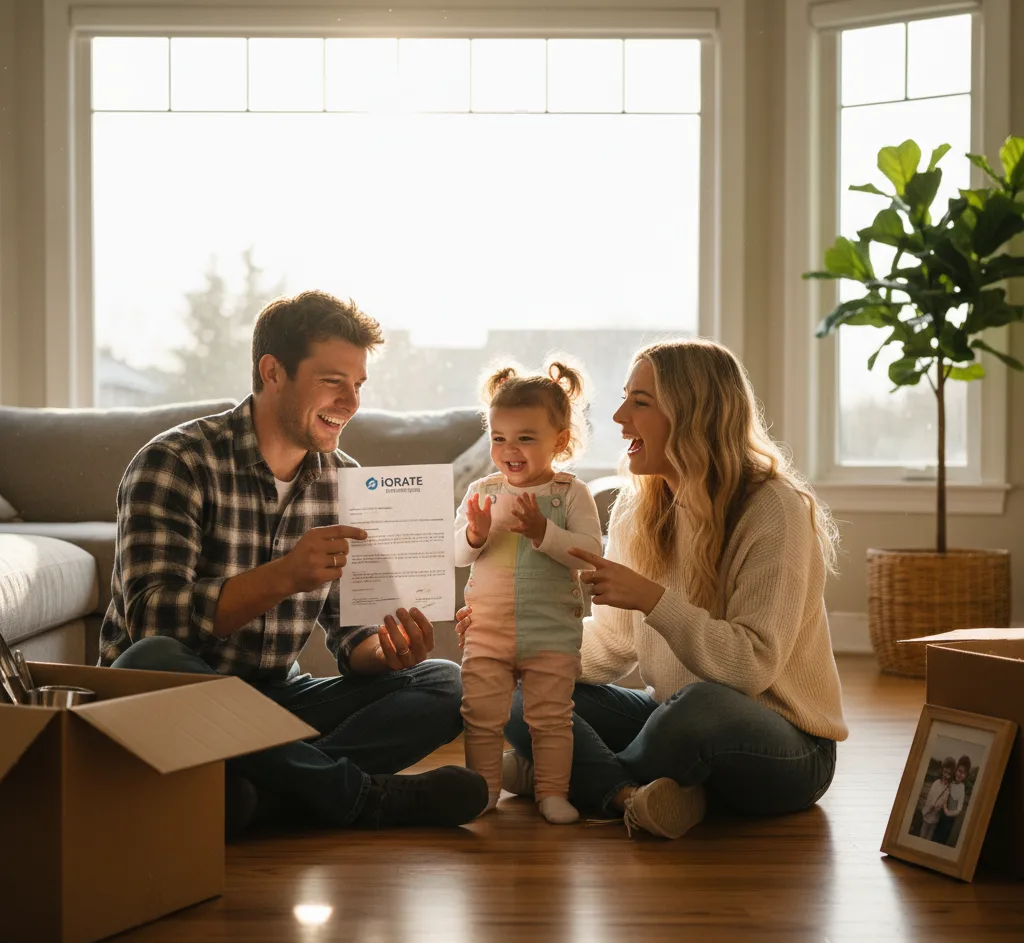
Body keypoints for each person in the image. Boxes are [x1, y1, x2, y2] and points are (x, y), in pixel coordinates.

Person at [100, 290, 488, 836]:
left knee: (441, 683)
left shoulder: (344, 480)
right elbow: (151, 625)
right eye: (333, 381)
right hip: (174, 699)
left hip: (276, 698)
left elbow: (352, 643)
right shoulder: (174, 462)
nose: (351, 402)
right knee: (147, 658)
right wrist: (285, 574)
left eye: (358, 385)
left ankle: (262, 792)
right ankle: (352, 796)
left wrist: (389, 649)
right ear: (273, 371)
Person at [459, 339, 848, 839]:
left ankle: (576, 777)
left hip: (784, 746)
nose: (619, 417)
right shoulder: (639, 506)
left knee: (698, 707)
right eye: (624, 398)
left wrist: (651, 598)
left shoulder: (773, 508)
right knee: (524, 694)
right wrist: (521, 648)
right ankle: (634, 795)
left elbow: (751, 667)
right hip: (667, 715)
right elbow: (615, 645)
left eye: (640, 402)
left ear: (694, 414)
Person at [455, 362, 602, 824]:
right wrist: (474, 535)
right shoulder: (482, 491)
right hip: (487, 631)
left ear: (560, 440)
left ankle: (552, 792)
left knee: (551, 718)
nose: (509, 450)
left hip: (551, 633)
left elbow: (589, 555)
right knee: (480, 715)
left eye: (525, 438)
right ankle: (482, 791)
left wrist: (545, 532)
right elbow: (457, 555)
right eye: (499, 438)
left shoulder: (570, 493)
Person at [932, 754, 970, 846]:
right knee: (935, 834)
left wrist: (948, 813)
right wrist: (942, 807)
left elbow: (959, 809)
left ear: (966, 775)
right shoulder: (951, 782)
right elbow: (944, 794)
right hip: (941, 814)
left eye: (963, 773)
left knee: (943, 838)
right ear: (956, 770)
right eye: (959, 771)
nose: (960, 774)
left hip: (949, 818)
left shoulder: (962, 788)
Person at [919, 757, 955, 841]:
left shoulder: (949, 789)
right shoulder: (936, 783)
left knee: (929, 838)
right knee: (921, 836)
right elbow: (929, 798)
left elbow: (944, 803)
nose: (946, 775)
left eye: (949, 773)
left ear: (952, 774)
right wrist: (929, 808)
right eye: (945, 772)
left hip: (935, 819)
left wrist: (939, 807)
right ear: (942, 770)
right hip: (927, 815)